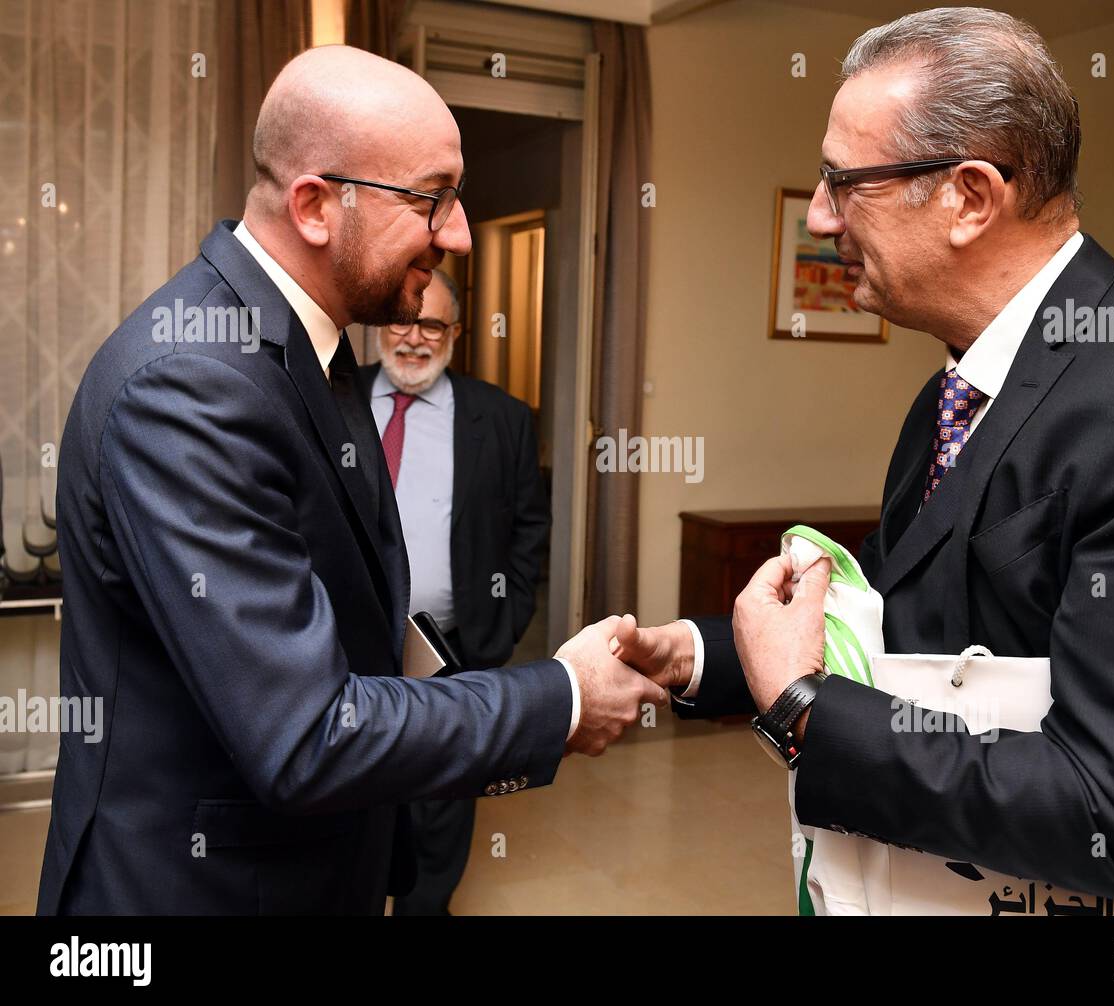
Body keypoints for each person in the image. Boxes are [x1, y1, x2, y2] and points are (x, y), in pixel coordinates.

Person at [618, 7, 1114, 915]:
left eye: (841, 182)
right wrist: (696, 657)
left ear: (971, 197)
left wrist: (805, 709)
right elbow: (911, 628)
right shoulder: (950, 397)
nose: (820, 216)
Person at [39, 44, 663, 915]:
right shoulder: (191, 385)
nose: (459, 233)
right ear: (316, 205)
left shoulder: (312, 351)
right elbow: (302, 736)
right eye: (432, 197)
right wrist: (557, 697)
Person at [357, 271, 549, 914]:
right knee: (349, 786)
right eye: (400, 321)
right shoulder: (332, 398)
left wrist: (506, 615)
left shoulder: (502, 419)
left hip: (452, 648)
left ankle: (424, 907)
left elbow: (529, 528)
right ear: (378, 324)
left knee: (440, 794)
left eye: (431, 324)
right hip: (343, 640)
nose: (413, 338)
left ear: (456, 334)